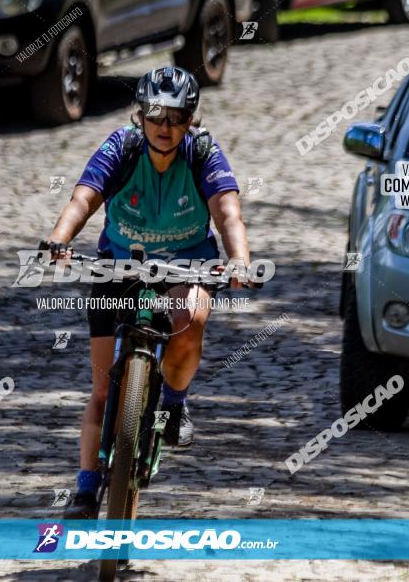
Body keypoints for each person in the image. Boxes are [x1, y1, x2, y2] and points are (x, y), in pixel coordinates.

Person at [42, 67, 254, 519]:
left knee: (191, 318)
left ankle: (174, 404)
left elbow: (228, 211)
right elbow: (84, 198)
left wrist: (238, 258)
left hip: (187, 263)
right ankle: (85, 488)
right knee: (102, 389)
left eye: (177, 117)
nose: (165, 126)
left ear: (190, 120)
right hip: (118, 265)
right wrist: (59, 238)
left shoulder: (203, 151)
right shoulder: (122, 146)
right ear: (141, 115)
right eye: (156, 115)